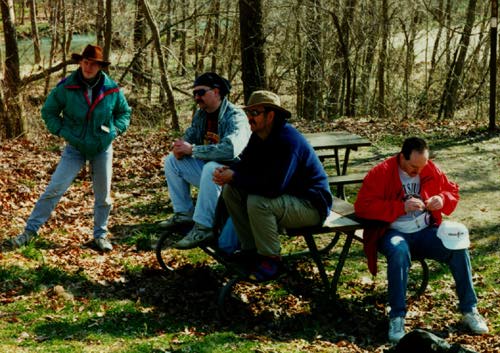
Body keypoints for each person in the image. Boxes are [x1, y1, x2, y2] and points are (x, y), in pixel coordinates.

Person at [354, 137, 489, 343]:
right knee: (399, 252)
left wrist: (442, 199)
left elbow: (451, 191)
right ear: (402, 157)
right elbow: (362, 206)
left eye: (422, 166)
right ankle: (397, 317)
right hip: (394, 232)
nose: (417, 172)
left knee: (458, 246)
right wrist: (400, 207)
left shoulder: (428, 168)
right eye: (412, 167)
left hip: (426, 230)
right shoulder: (381, 172)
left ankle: (469, 309)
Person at [6, 44, 131, 252]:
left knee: (104, 195)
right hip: (75, 147)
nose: (88, 67)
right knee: (54, 188)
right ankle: (29, 232)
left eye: (93, 64)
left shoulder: (112, 89)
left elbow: (124, 113)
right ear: (80, 62)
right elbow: (49, 112)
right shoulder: (67, 87)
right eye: (85, 62)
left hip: (102, 147)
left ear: (100, 66)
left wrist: (114, 131)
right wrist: (63, 132)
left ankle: (100, 236)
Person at [213, 90, 333, 281]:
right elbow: (245, 163)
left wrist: (234, 176)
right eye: (248, 113)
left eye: (255, 113)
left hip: (311, 206)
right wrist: (228, 171)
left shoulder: (287, 141)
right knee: (231, 192)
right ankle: (250, 250)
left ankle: (272, 260)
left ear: (271, 115)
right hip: (287, 198)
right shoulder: (259, 136)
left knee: (258, 201)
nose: (249, 118)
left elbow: (273, 187)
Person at [161, 72, 251, 249]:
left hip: (236, 177)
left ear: (216, 92)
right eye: (194, 93)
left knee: (211, 167)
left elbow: (231, 149)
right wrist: (180, 148)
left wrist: (193, 150)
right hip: (213, 175)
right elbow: (190, 137)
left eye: (201, 92)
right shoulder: (202, 115)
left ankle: (203, 228)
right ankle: (184, 214)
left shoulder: (235, 116)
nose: (196, 97)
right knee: (172, 161)